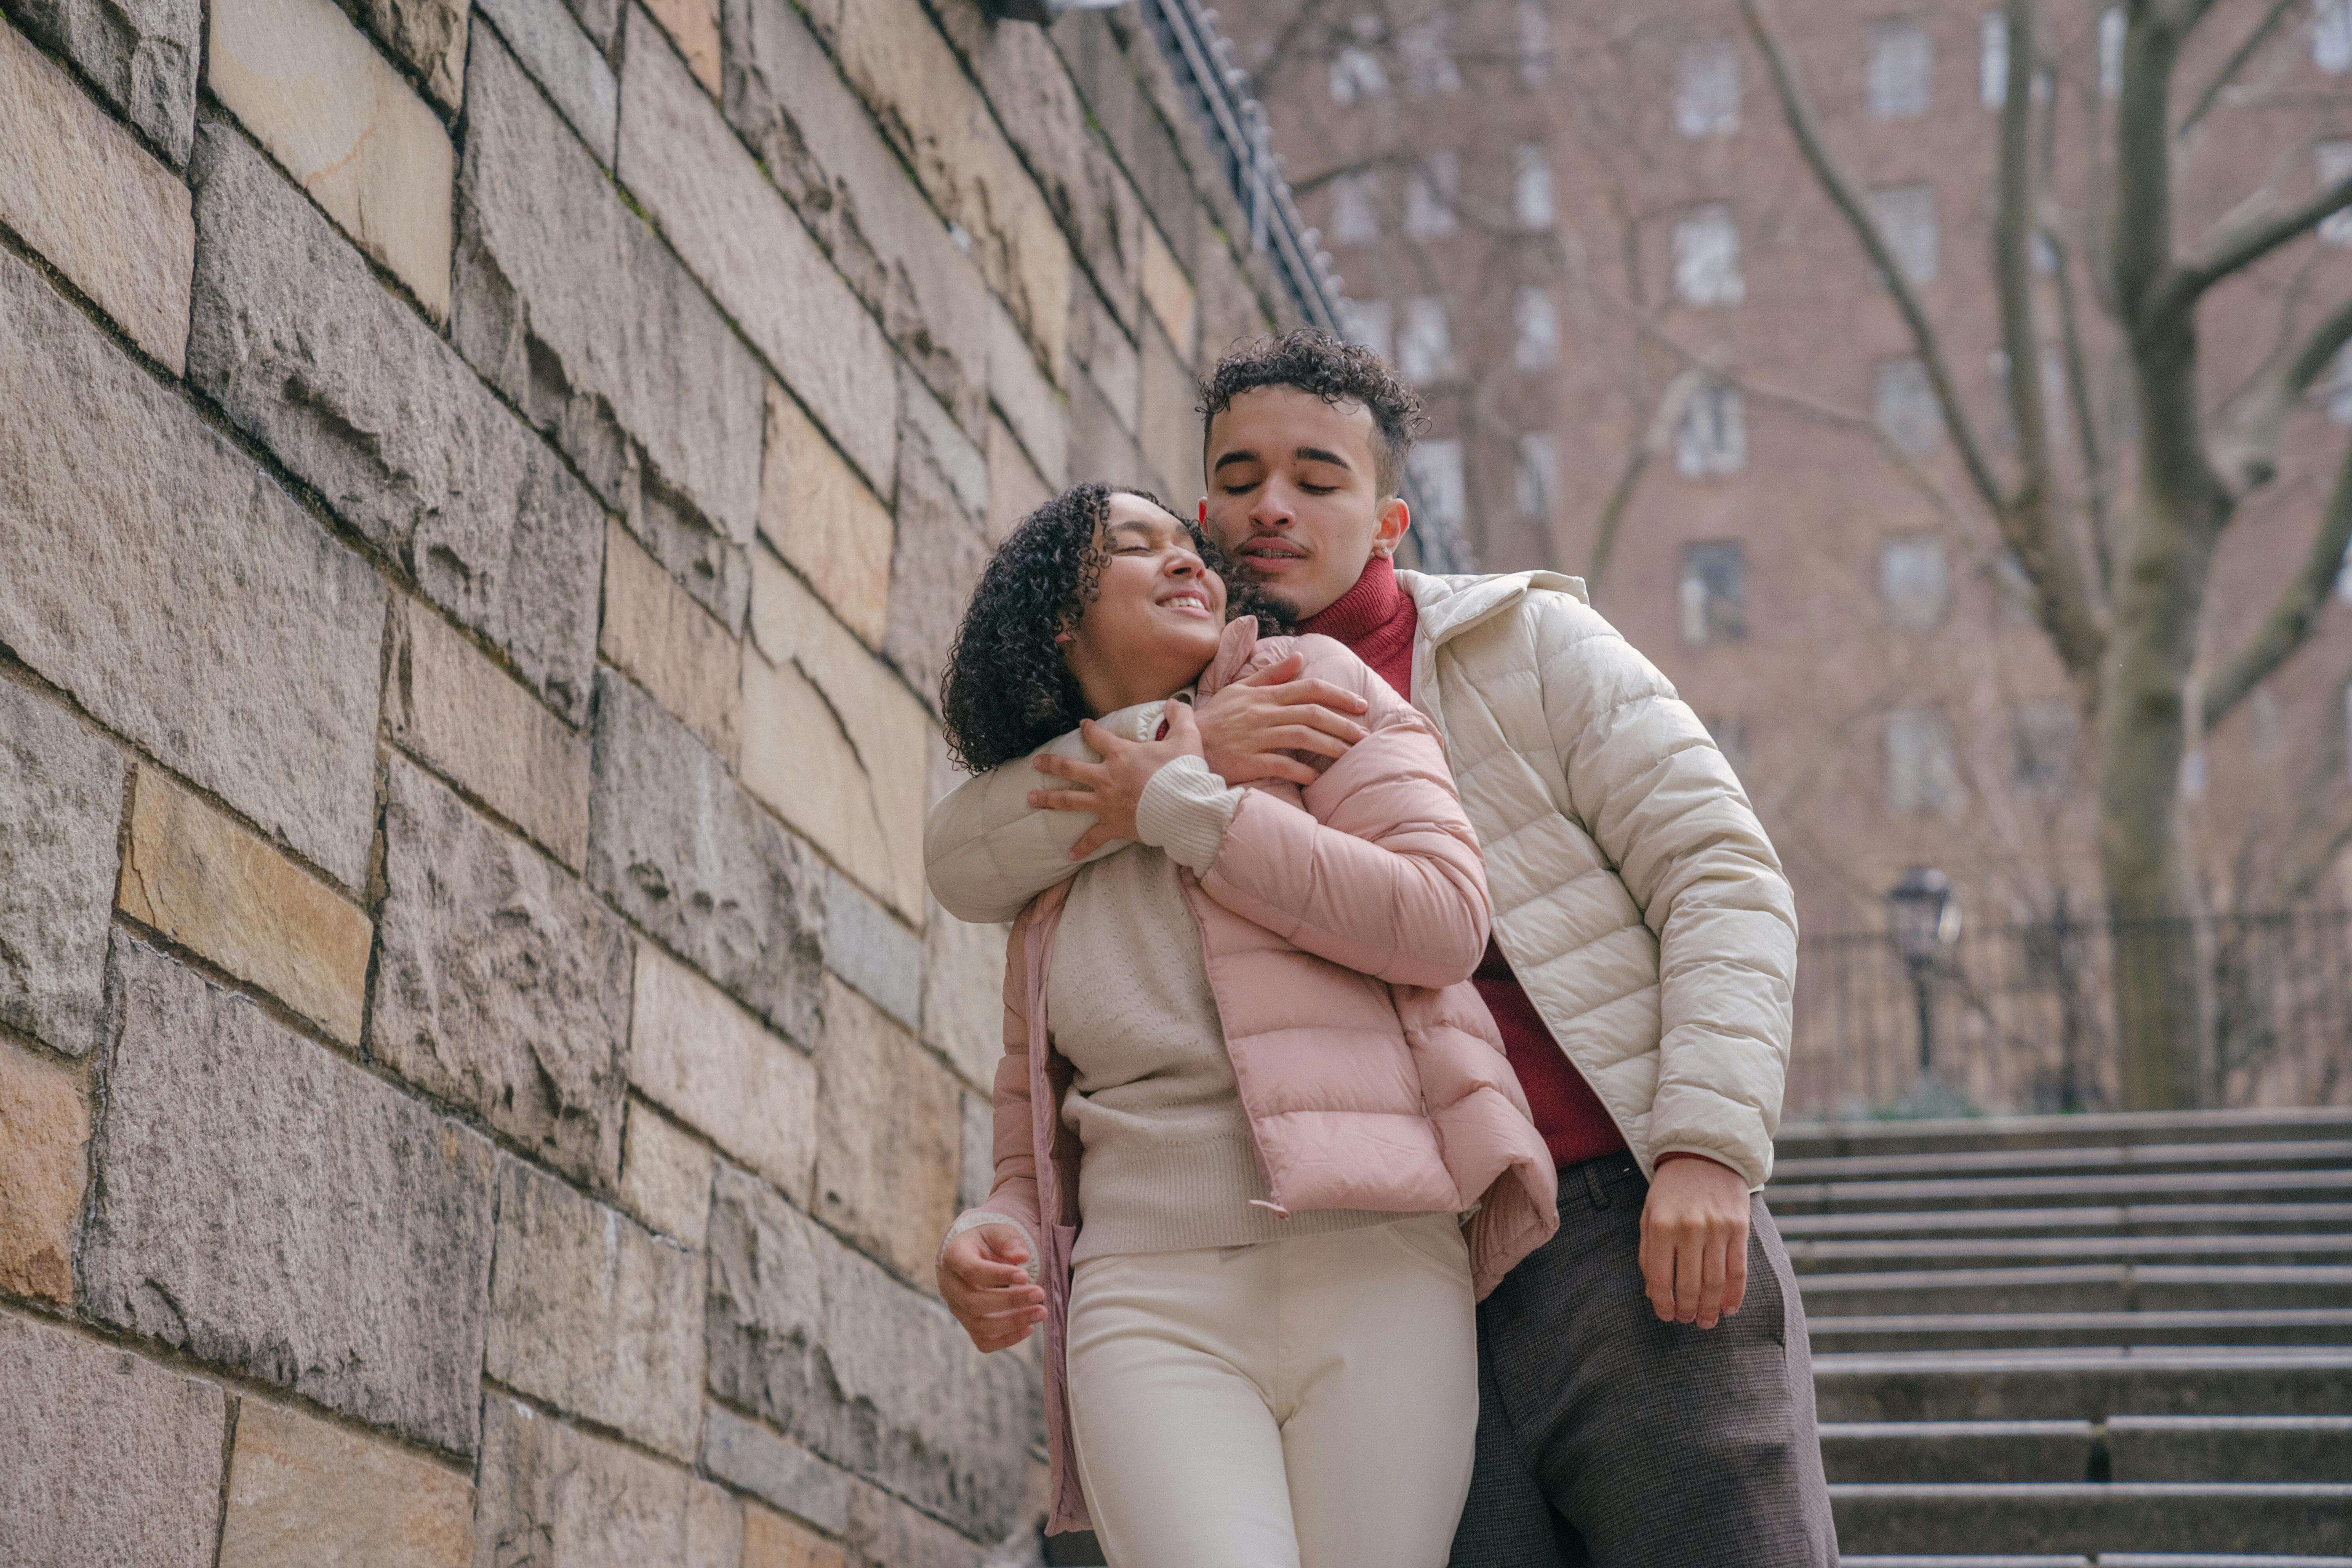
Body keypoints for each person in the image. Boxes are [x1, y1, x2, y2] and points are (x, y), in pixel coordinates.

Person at [927, 335, 1836, 1568]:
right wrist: (1185, 745)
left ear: (1390, 515)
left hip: (1615, 1218)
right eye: (1239, 478)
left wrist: (1706, 1146)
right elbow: (967, 853)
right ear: (1204, 510)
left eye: (1317, 476)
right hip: (1416, 1251)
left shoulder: (1526, 646)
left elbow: (1723, 874)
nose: (1272, 506)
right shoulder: (1201, 706)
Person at [928, 482, 1558, 1568]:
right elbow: (1036, 1113)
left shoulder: (1311, 686)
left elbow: (1443, 921)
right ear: (1059, 618)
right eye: (1135, 548)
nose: (1188, 563)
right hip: (1149, 1298)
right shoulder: (1047, 846)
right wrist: (999, 1227)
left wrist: (1181, 805)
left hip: (1379, 1267)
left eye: (1191, 546)